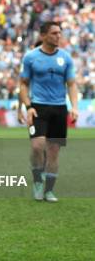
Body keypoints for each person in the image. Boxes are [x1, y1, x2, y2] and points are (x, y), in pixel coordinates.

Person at [19, 22, 78, 202]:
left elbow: (72, 84)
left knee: (53, 152)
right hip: (38, 107)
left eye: (59, 33)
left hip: (59, 109)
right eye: (54, 33)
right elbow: (23, 84)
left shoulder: (66, 58)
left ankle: (49, 191)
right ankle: (38, 181)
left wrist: (74, 106)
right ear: (43, 36)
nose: (58, 36)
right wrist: (28, 107)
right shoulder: (30, 57)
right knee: (37, 147)